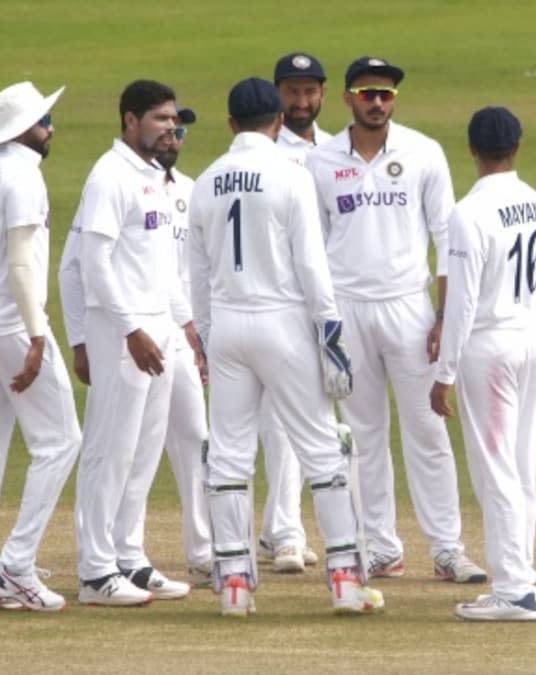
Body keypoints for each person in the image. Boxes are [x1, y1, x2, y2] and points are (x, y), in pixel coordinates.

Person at [188, 76, 382, 617]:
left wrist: (207, 339)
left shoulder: (205, 180)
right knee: (324, 447)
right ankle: (345, 580)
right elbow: (313, 271)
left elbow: (196, 275)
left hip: (227, 323)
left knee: (227, 454)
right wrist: (331, 337)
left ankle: (233, 586)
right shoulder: (290, 174)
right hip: (283, 324)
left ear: (231, 124)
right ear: (277, 121)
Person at [307, 56, 485, 583]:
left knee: (427, 429)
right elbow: (311, 250)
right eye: (367, 93)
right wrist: (323, 320)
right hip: (346, 309)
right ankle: (380, 547)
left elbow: (448, 239)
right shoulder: (320, 161)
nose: (378, 102)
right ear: (348, 99)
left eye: (385, 93)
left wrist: (445, 316)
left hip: (409, 306)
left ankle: (447, 547)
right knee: (363, 436)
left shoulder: (423, 152)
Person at [0, 81, 80, 613]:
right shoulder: (23, 175)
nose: (52, 128)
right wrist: (35, 334)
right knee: (61, 440)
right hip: (8, 322)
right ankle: (14, 567)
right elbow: (21, 262)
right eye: (44, 120)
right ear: (25, 128)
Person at [71, 79, 195, 606]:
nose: (172, 127)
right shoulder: (109, 175)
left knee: (144, 450)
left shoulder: (154, 178)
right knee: (109, 450)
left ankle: (129, 556)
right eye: (160, 118)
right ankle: (95, 572)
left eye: (174, 119)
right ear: (129, 120)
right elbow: (89, 262)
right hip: (123, 329)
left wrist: (183, 325)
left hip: (158, 326)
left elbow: (161, 266)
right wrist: (130, 329)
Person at [430, 107, 536, 621]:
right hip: (529, 340)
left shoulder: (469, 212)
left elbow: (460, 301)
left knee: (495, 468)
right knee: (519, 465)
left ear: (471, 149)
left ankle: (515, 589)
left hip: (490, 348)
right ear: (517, 147)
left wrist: (444, 373)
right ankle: (519, 575)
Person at [246, 50, 339, 574]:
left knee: (320, 420)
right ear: (278, 97)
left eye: (309, 91)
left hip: (325, 298)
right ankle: (284, 532)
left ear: (323, 94)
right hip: (278, 300)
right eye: (291, 91)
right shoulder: (261, 152)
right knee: (279, 421)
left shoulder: (335, 150)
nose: (301, 101)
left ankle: (282, 528)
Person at [156, 105, 214, 586]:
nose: (175, 136)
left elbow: (201, 272)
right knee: (135, 445)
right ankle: (111, 551)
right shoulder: (122, 183)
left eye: (180, 129)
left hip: (185, 332)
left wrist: (203, 336)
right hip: (142, 328)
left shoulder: (193, 192)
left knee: (195, 435)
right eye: (168, 127)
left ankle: (201, 549)